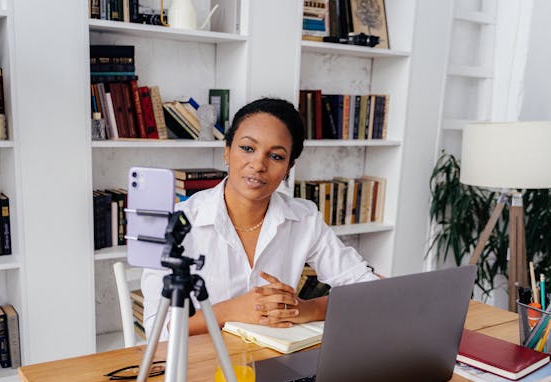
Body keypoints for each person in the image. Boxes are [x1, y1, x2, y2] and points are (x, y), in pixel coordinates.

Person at [141, 97, 378, 339]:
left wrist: (306, 308)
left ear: (289, 167)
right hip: (198, 363)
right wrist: (230, 311)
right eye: (247, 148)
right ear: (227, 151)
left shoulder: (304, 218)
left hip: (273, 360)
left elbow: (368, 290)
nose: (258, 164)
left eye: (276, 156)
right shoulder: (178, 222)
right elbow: (157, 331)